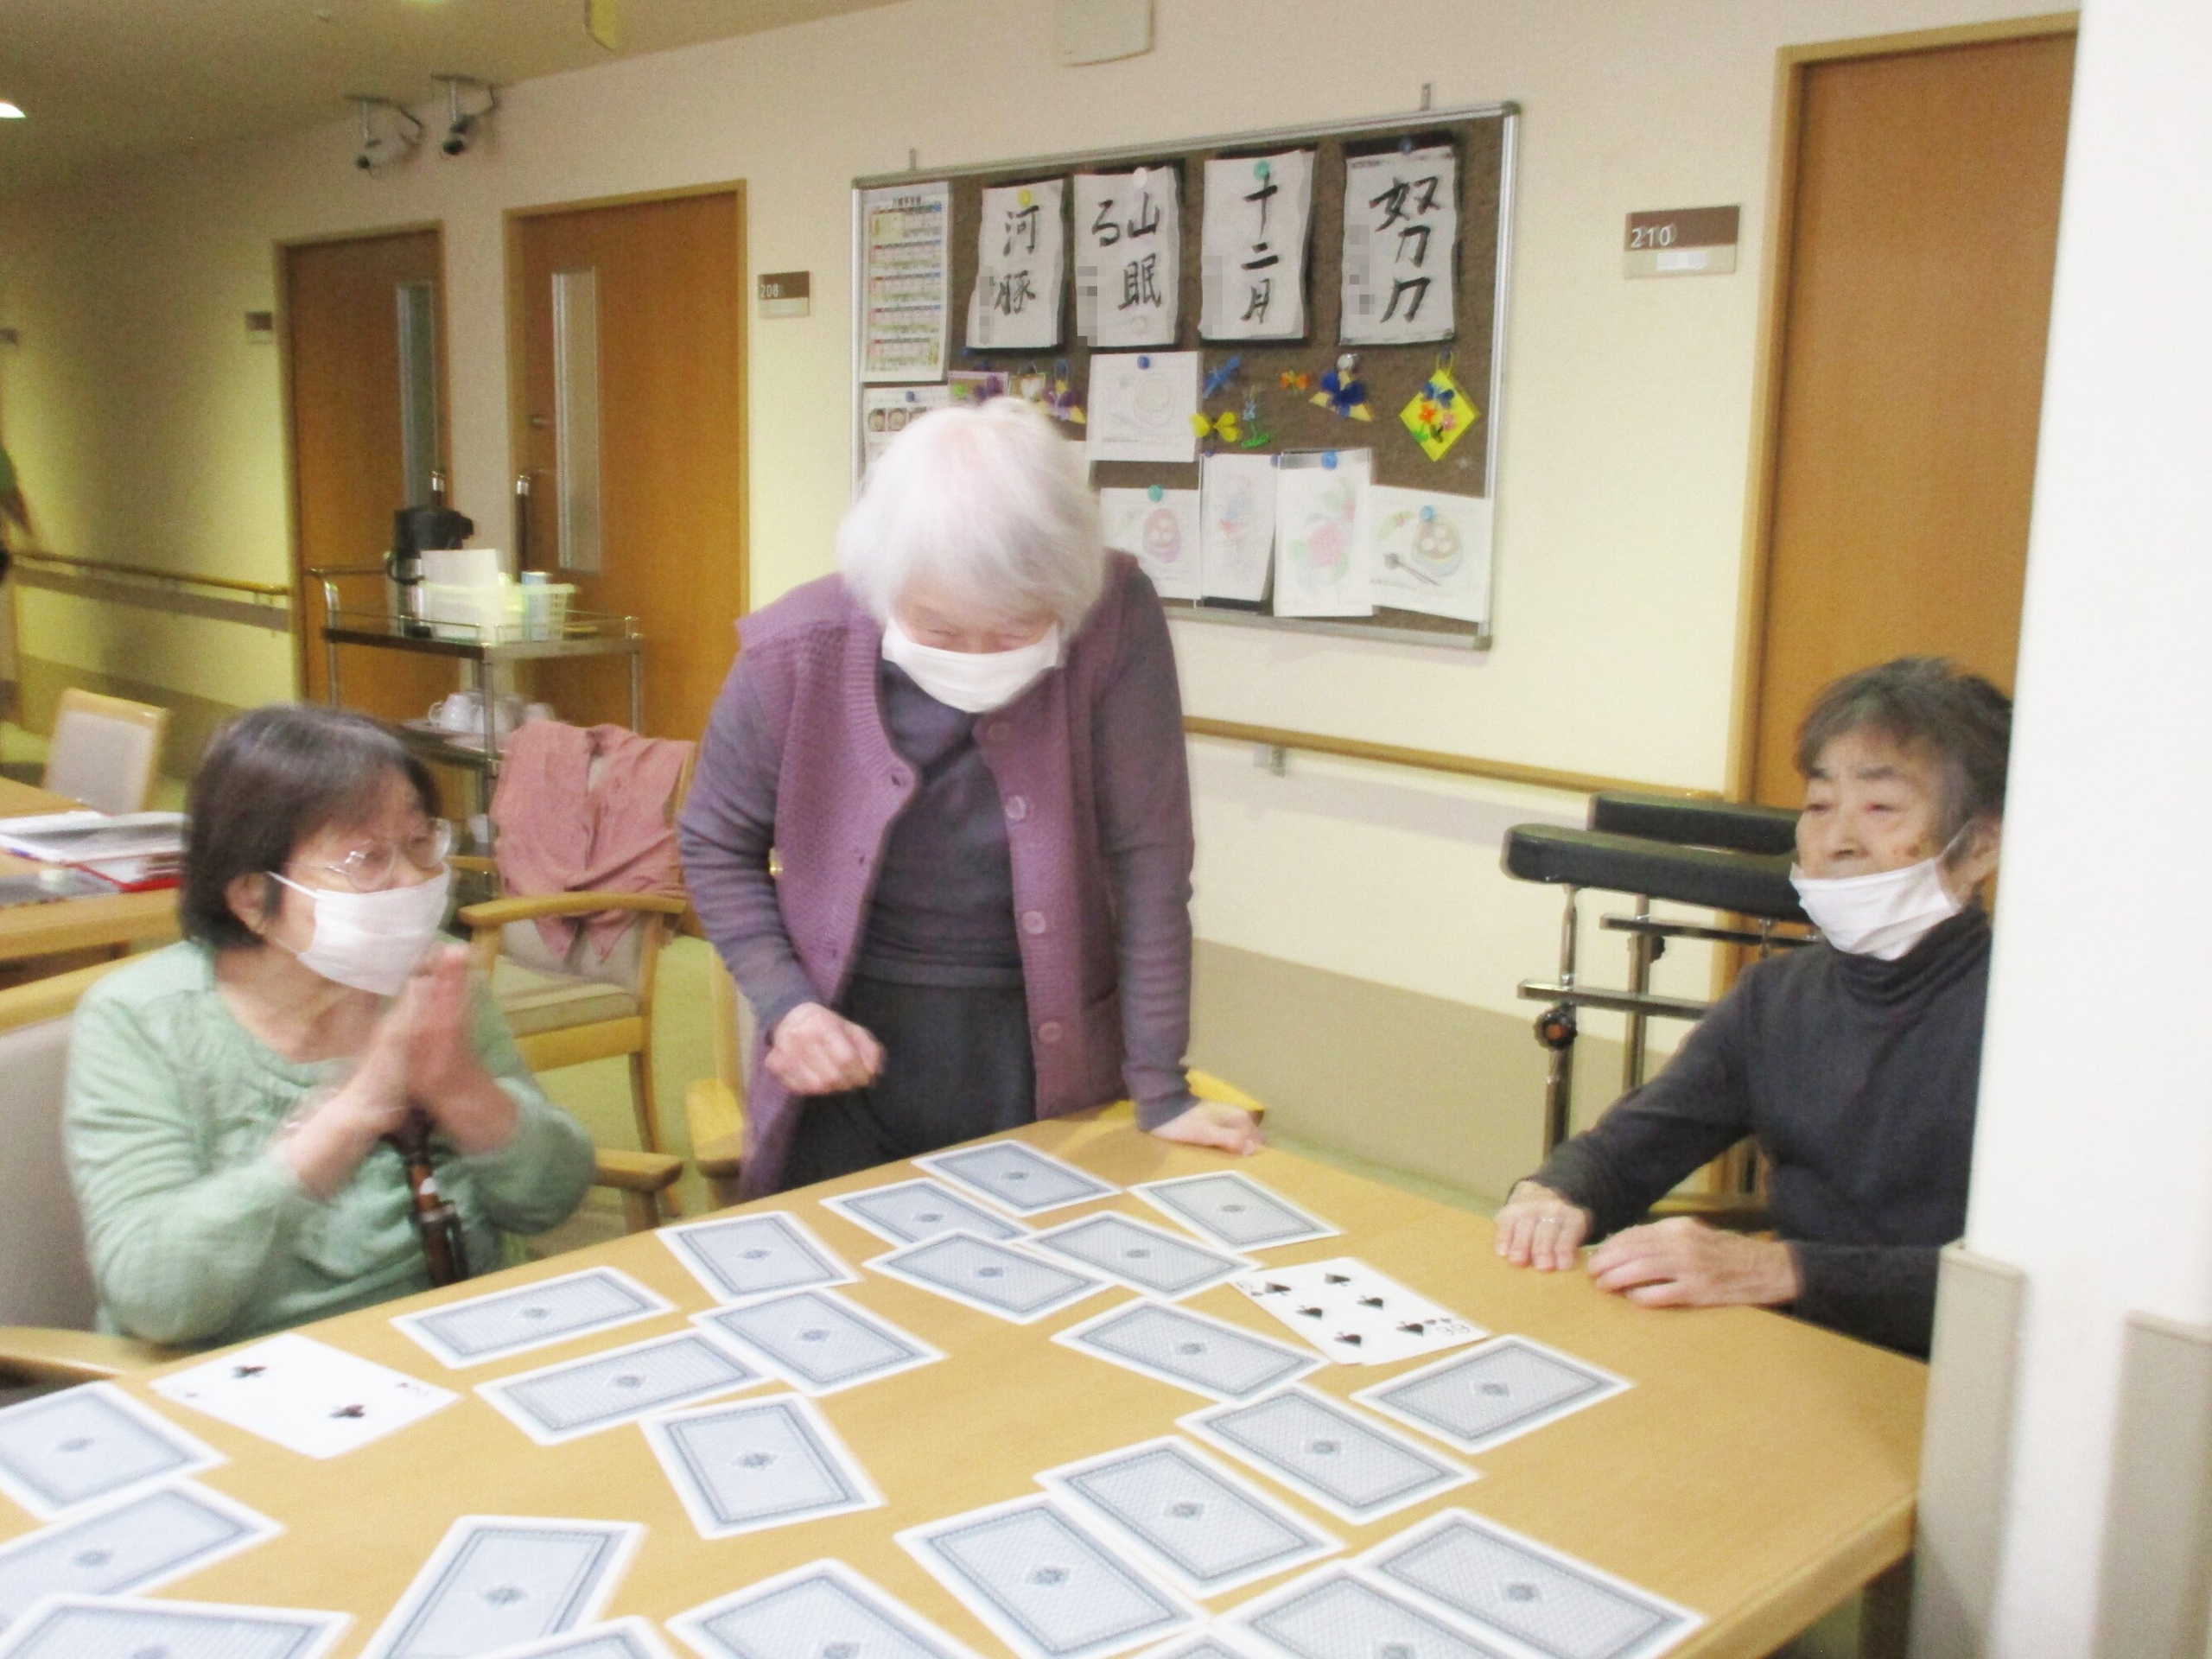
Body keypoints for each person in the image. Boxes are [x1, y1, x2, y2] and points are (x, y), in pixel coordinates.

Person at [679, 397, 1260, 1197]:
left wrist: (1161, 1089)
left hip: (1038, 1043)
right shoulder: (796, 649)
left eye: (1018, 628)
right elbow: (714, 842)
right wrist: (789, 1005)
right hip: (850, 1035)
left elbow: (1152, 861)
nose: (979, 656)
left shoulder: (1114, 615)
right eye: (942, 631)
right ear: (883, 585)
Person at [1494, 658, 2009, 1356]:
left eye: (1882, 808)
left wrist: (1781, 1268)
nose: (1838, 840)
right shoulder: (1777, 998)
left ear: (1979, 846)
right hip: (1797, 1350)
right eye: (1820, 805)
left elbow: (2026, 1288)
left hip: (1960, 1379)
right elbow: (1633, 1149)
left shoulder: (2025, 1020)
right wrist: (1552, 1194)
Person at [64, 704, 596, 1348]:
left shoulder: (426, 980)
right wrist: (356, 1110)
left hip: (453, 1345)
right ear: (254, 899)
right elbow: (157, 1298)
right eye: (367, 858)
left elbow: (553, 1198)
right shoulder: (141, 1021)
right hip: (245, 1382)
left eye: (422, 842)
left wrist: (461, 1088)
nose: (416, 881)